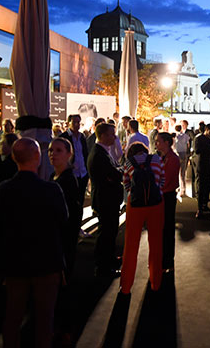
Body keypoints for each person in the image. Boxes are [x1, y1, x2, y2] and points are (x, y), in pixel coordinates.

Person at [0, 138, 67, 348]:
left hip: (15, 262)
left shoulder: (4, 190)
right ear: (38, 157)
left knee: (13, 315)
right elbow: (63, 219)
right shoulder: (51, 190)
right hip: (46, 261)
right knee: (44, 320)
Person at [120, 142, 164, 295]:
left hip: (135, 205)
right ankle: (155, 282)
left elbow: (126, 184)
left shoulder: (129, 162)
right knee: (156, 243)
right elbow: (161, 180)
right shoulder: (156, 159)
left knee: (131, 245)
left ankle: (125, 286)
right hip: (156, 205)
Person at [48, 137, 80, 342]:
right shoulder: (53, 176)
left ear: (69, 154)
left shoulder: (68, 180)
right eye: (51, 150)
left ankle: (65, 328)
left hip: (63, 242)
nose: (53, 154)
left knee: (63, 285)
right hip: (54, 241)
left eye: (58, 150)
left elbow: (72, 217)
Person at [87, 123, 124, 278]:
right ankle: (103, 266)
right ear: (102, 135)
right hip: (105, 200)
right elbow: (112, 175)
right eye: (111, 134)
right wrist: (119, 173)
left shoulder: (102, 152)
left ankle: (108, 259)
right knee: (106, 234)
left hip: (108, 199)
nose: (114, 137)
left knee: (110, 231)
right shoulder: (99, 154)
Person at [156, 132, 181, 270]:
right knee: (161, 228)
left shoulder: (172, 159)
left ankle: (167, 260)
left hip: (167, 196)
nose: (156, 144)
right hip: (162, 195)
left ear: (166, 142)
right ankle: (162, 258)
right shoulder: (162, 157)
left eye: (158, 141)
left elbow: (167, 180)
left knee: (167, 228)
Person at [59, 114, 90, 210]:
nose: (77, 124)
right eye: (74, 122)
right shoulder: (64, 137)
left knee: (80, 201)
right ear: (68, 123)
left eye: (78, 122)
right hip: (72, 173)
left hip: (82, 173)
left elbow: (85, 153)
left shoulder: (82, 137)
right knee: (70, 200)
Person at [193, 123, 210, 218]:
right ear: (206, 129)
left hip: (208, 164)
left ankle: (205, 205)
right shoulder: (199, 138)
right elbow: (197, 150)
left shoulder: (208, 139)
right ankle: (200, 208)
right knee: (201, 186)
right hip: (202, 164)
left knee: (207, 185)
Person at [175, 122, 191, 196]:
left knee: (176, 172)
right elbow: (188, 144)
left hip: (177, 154)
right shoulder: (185, 136)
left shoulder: (175, 136)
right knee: (183, 173)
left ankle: (178, 188)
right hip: (184, 153)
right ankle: (183, 189)